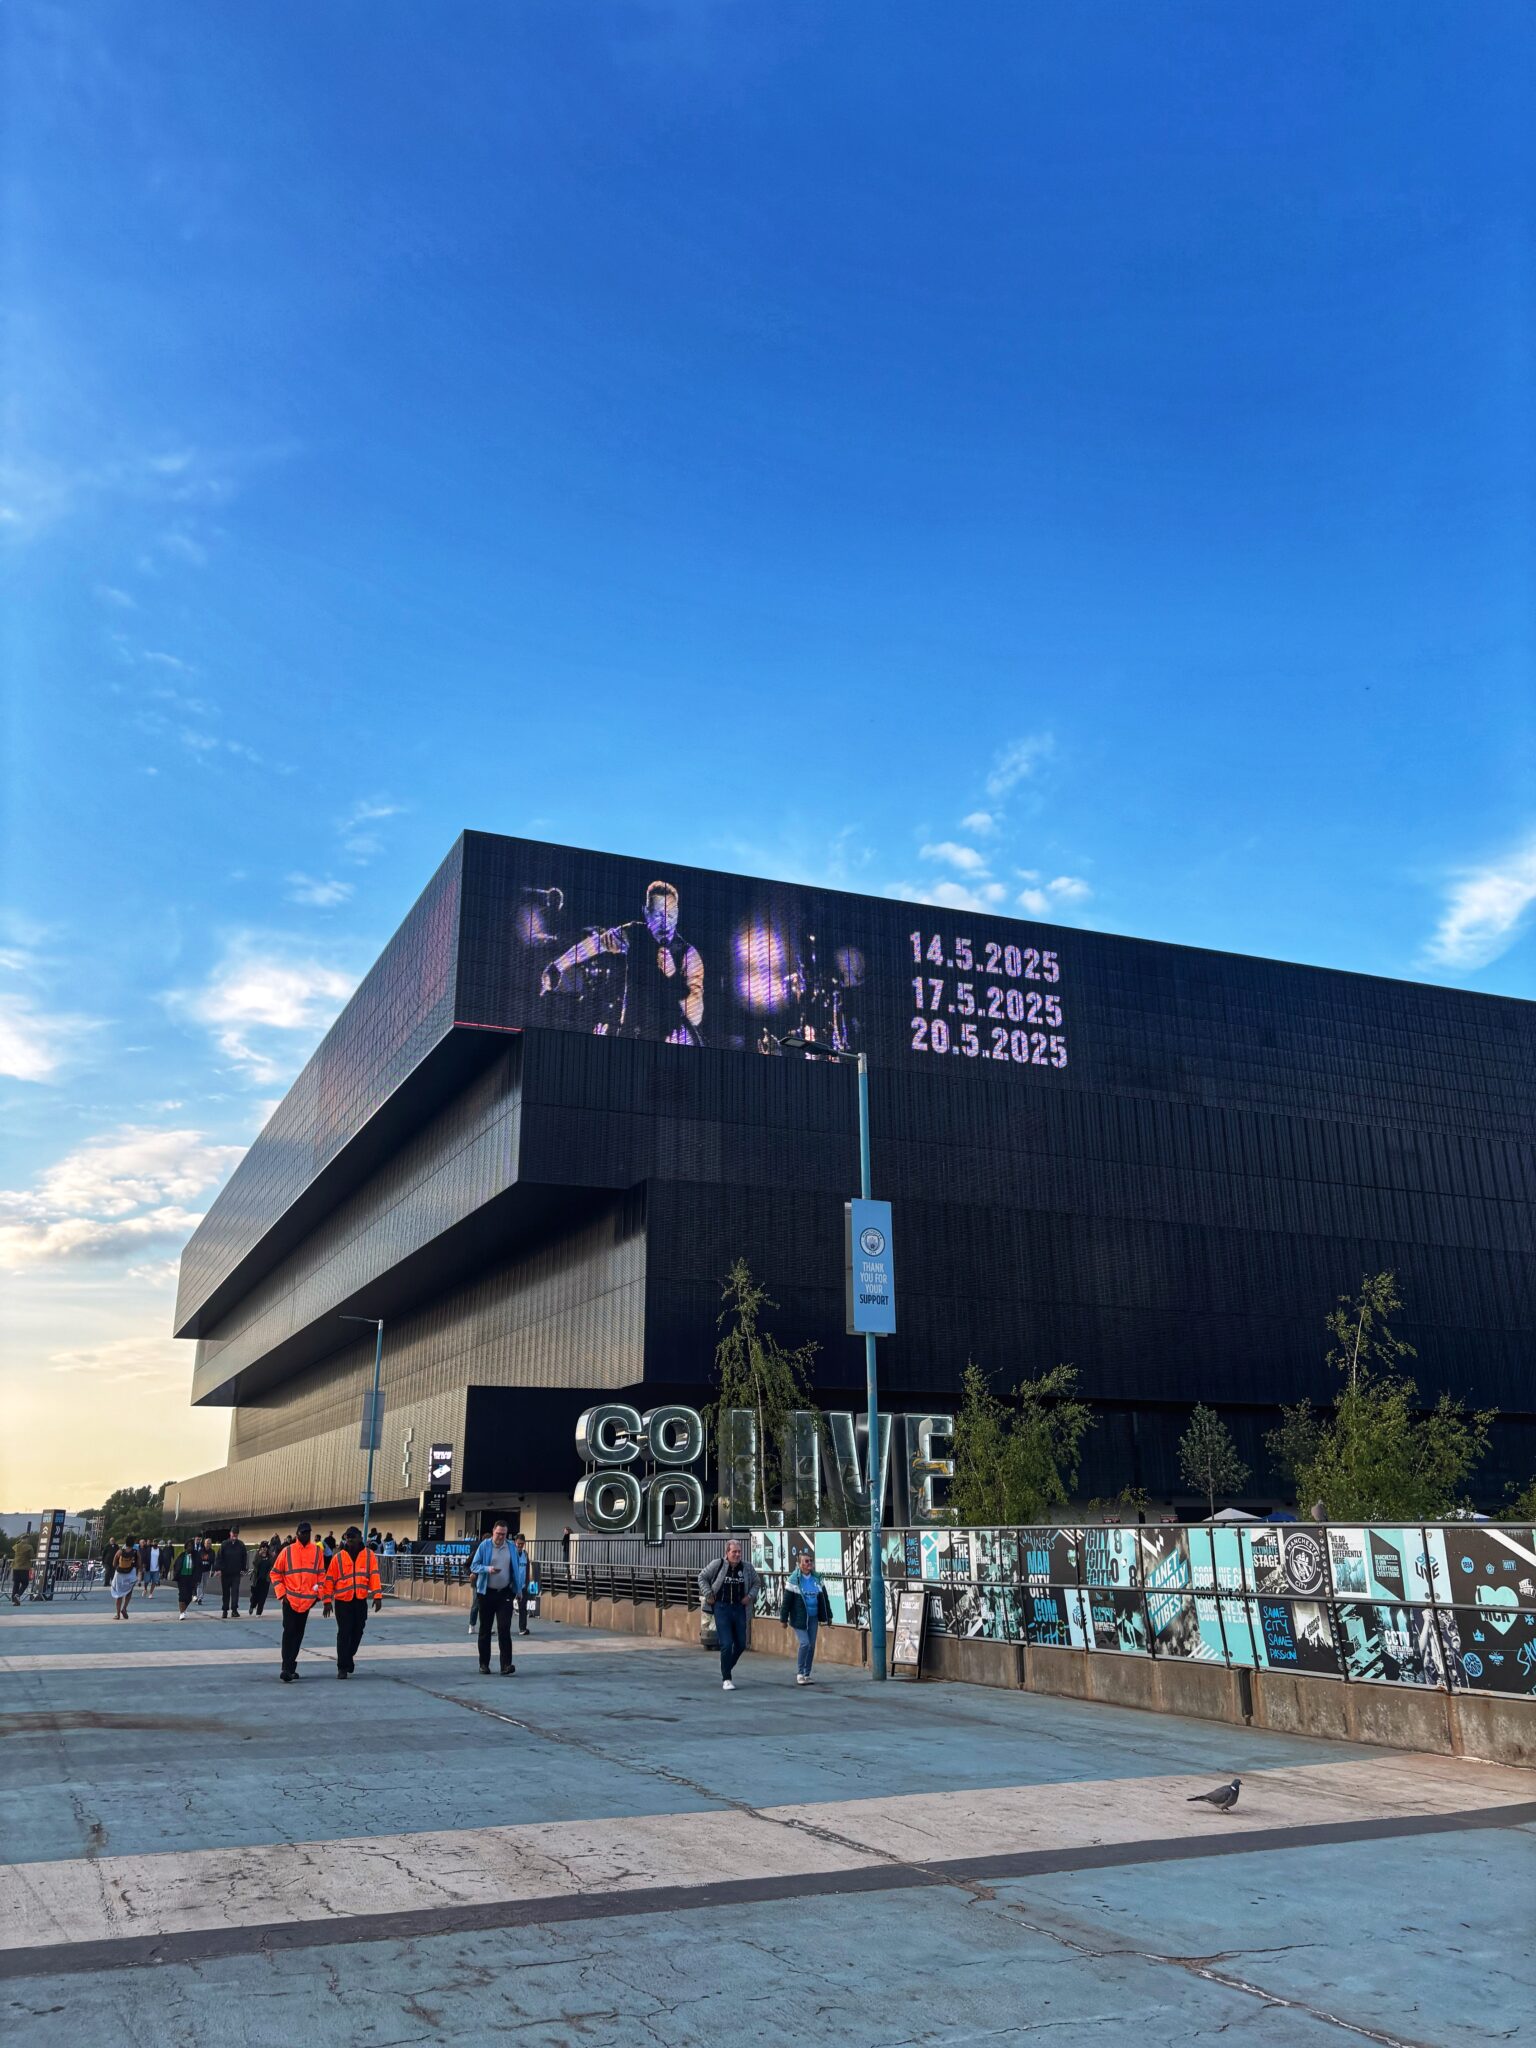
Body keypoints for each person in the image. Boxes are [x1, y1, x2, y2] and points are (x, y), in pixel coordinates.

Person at [540, 879, 705, 1045]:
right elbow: (596, 944)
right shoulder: (635, 934)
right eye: (658, 915)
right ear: (646, 913)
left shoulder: (688, 954)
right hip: (633, 1032)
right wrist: (557, 966)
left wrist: (673, 977)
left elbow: (696, 1015)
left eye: (671, 915)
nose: (665, 923)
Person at [270, 1521, 328, 1682]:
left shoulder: (316, 1552)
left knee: (298, 1635)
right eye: (303, 1532)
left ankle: (290, 1667)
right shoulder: (287, 1551)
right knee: (289, 1632)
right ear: (297, 1534)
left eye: (308, 1532)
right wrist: (282, 1594)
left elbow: (321, 1574)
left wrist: (318, 1595)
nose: (306, 1535)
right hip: (290, 1600)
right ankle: (286, 1667)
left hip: (307, 1602)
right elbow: (275, 1573)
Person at [699, 1539, 759, 1690]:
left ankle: (726, 1664)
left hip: (739, 1608)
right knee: (726, 1643)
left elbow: (757, 1583)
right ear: (727, 1552)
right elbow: (702, 1577)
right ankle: (726, 1678)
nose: (737, 1554)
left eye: (739, 1552)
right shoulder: (717, 1564)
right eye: (734, 1552)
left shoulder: (747, 1568)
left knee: (741, 1644)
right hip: (721, 1608)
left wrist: (750, 1596)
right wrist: (708, 1594)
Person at [324, 1525, 383, 1678]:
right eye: (347, 1537)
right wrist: (327, 1600)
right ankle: (342, 1667)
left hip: (360, 1600)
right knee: (344, 1633)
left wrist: (377, 1596)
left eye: (352, 1537)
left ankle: (348, 1656)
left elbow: (374, 1576)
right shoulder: (338, 1557)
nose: (350, 1539)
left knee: (358, 1631)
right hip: (342, 1602)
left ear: (359, 1538)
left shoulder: (369, 1556)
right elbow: (329, 1580)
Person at [468, 1521, 519, 1676]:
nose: (500, 1537)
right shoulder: (484, 1546)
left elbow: (516, 1569)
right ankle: (484, 1664)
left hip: (505, 1593)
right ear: (493, 1531)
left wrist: (518, 1590)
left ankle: (506, 1665)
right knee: (485, 1628)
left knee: (504, 1628)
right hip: (486, 1593)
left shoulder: (511, 1547)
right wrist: (487, 1569)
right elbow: (473, 1566)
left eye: (503, 1534)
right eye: (498, 1534)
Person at [780, 1545, 833, 1685]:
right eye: (806, 1561)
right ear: (800, 1564)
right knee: (805, 1643)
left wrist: (829, 1616)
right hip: (800, 1617)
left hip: (813, 1617)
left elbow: (825, 1598)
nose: (809, 1563)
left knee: (812, 1645)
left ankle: (806, 1674)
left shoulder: (817, 1579)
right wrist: (783, 1619)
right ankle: (800, 1673)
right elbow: (786, 1601)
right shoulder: (794, 1580)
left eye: (810, 1561)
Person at [219, 1527, 249, 1618]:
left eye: (236, 1534)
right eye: (233, 1533)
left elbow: (244, 1557)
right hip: (226, 1573)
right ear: (230, 1533)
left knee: (235, 1592)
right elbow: (219, 1557)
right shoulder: (224, 1544)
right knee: (226, 1592)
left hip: (236, 1573)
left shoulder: (241, 1545)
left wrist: (243, 1569)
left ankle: (234, 1610)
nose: (234, 1535)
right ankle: (225, 1610)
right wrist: (219, 1569)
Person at [111, 1539, 139, 1620]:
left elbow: (114, 1563)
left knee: (119, 1593)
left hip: (120, 1574)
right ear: (133, 1544)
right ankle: (124, 1608)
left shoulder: (120, 1551)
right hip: (131, 1573)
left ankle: (117, 1614)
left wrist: (117, 1568)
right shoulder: (136, 1552)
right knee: (129, 1591)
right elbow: (139, 1564)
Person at [513, 1532, 535, 1636]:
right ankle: (504, 1628)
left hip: (522, 1586)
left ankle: (522, 1628)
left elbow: (527, 1569)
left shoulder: (525, 1554)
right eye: (518, 1543)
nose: (520, 1546)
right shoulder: (512, 1554)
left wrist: (527, 1583)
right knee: (506, 1608)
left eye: (522, 1544)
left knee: (523, 1607)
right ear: (515, 1543)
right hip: (511, 1585)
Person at [174, 1542, 199, 1616]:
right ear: (186, 1547)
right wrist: (176, 1574)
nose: (190, 1548)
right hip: (182, 1577)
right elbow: (176, 1565)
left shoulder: (195, 1556)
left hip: (191, 1578)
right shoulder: (182, 1555)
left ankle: (184, 1609)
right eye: (188, 1546)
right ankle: (181, 1613)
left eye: (191, 1546)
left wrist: (197, 1577)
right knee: (182, 1595)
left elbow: (198, 1566)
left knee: (189, 1597)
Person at [249, 1540, 273, 1616]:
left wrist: (269, 1576)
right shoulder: (257, 1555)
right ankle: (252, 1606)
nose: (264, 1549)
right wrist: (259, 1555)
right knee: (255, 1596)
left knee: (263, 1597)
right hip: (257, 1580)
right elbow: (255, 1564)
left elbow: (272, 1566)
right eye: (263, 1547)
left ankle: (259, 1612)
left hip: (266, 1580)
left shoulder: (270, 1557)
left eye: (266, 1547)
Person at [9, 1534, 34, 1605]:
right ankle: (18, 1595)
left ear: (21, 1539)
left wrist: (19, 1541)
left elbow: (14, 1547)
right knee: (25, 1583)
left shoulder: (16, 1546)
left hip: (15, 1567)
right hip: (24, 1567)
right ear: (26, 1539)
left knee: (16, 1584)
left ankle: (13, 1600)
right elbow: (31, 1556)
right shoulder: (29, 1547)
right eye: (28, 1539)